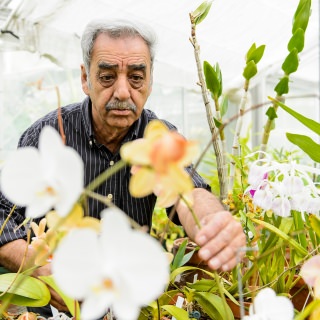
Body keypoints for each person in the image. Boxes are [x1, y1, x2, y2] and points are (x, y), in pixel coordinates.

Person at [0, 18, 246, 317]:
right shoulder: (48, 134)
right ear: (84, 78)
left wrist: (213, 222)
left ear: (150, 81)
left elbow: (188, 192)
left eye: (136, 78)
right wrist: (42, 271)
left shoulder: (158, 138)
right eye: (106, 76)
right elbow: (3, 219)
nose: (122, 92)